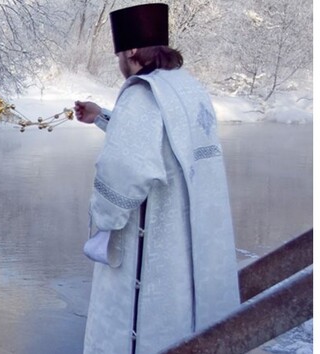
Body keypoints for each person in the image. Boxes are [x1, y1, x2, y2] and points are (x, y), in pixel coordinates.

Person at [73, 3, 240, 353]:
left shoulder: (142, 94)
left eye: (120, 52)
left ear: (132, 50)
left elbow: (123, 170)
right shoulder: (186, 88)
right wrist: (102, 116)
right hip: (191, 251)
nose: (119, 61)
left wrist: (101, 224)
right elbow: (160, 139)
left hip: (151, 260)